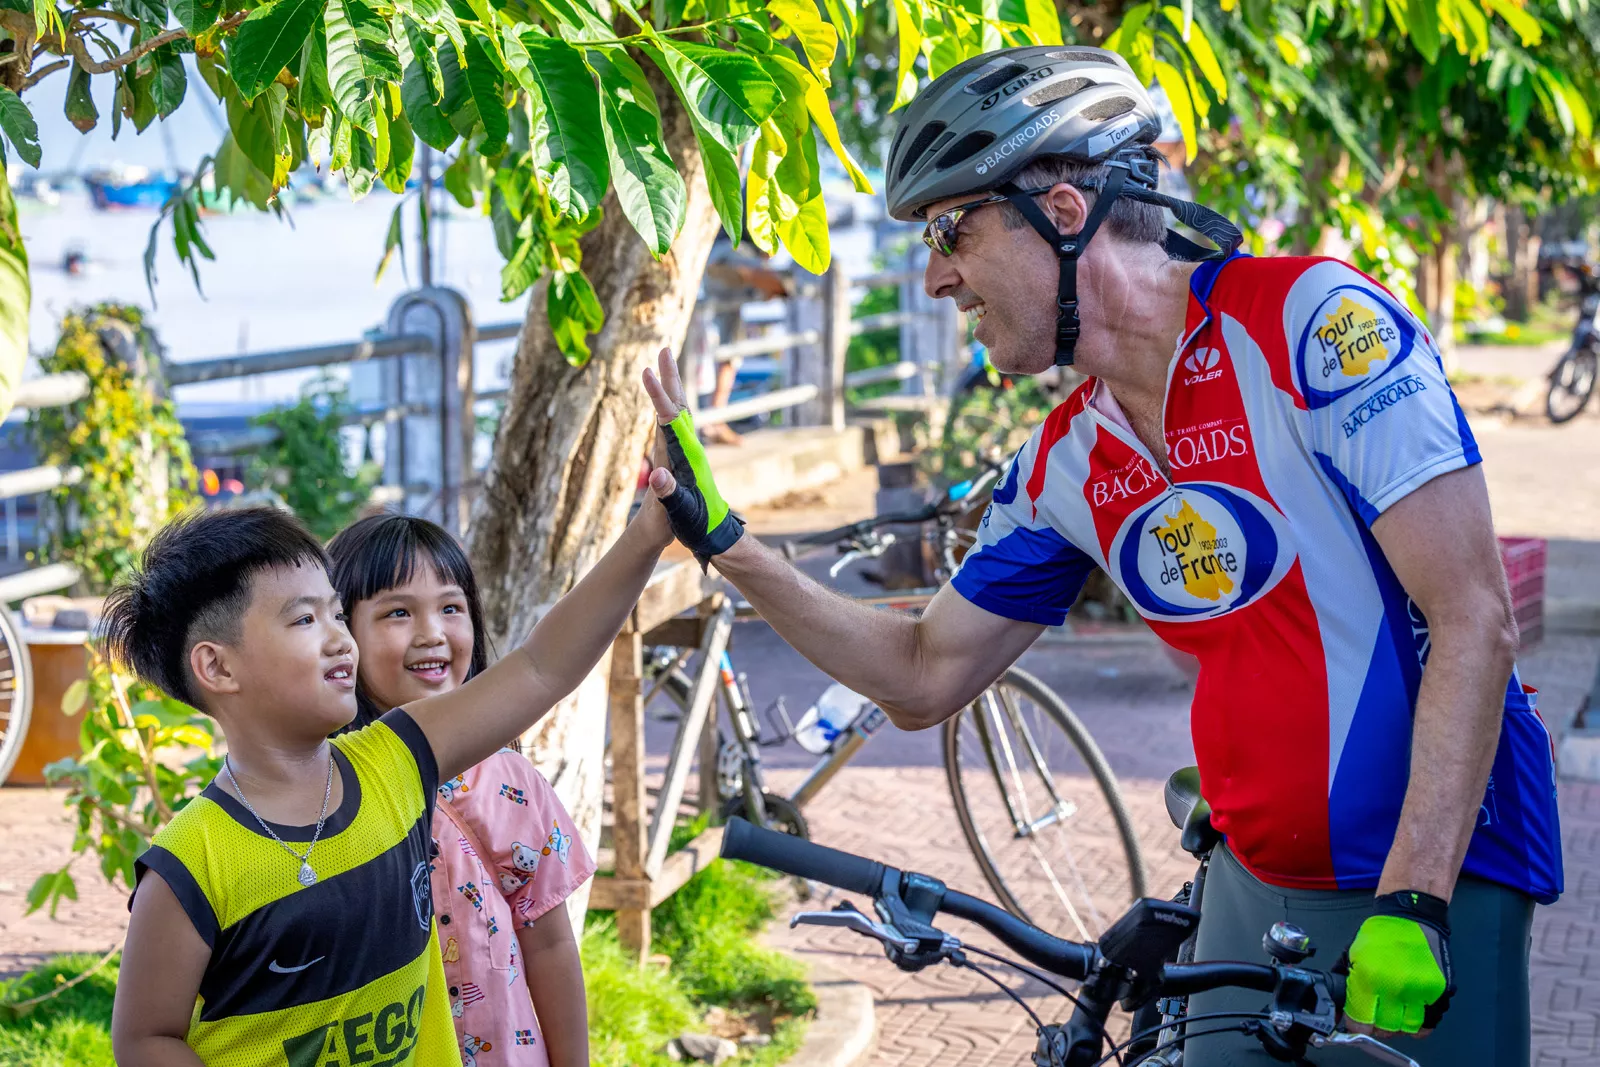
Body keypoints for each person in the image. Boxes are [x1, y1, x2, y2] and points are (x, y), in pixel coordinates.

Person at [643, 45, 1562, 1067]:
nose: (937, 273)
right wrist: (728, 541)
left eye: (953, 228)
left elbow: (1474, 615)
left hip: (1435, 874)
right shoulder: (1065, 462)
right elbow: (920, 675)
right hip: (1253, 872)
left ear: (1065, 212)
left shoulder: (1312, 328)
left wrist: (1411, 897)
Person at [105, 488, 672, 1065]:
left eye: (335, 613)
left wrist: (648, 532)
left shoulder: (399, 760)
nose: (339, 638)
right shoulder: (189, 865)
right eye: (305, 619)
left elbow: (541, 665)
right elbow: (145, 1038)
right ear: (218, 667)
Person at [327, 514, 594, 1067]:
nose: (433, 633)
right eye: (398, 612)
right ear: (341, 636)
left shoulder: (512, 782)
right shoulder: (324, 791)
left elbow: (550, 946)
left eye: (451, 607)